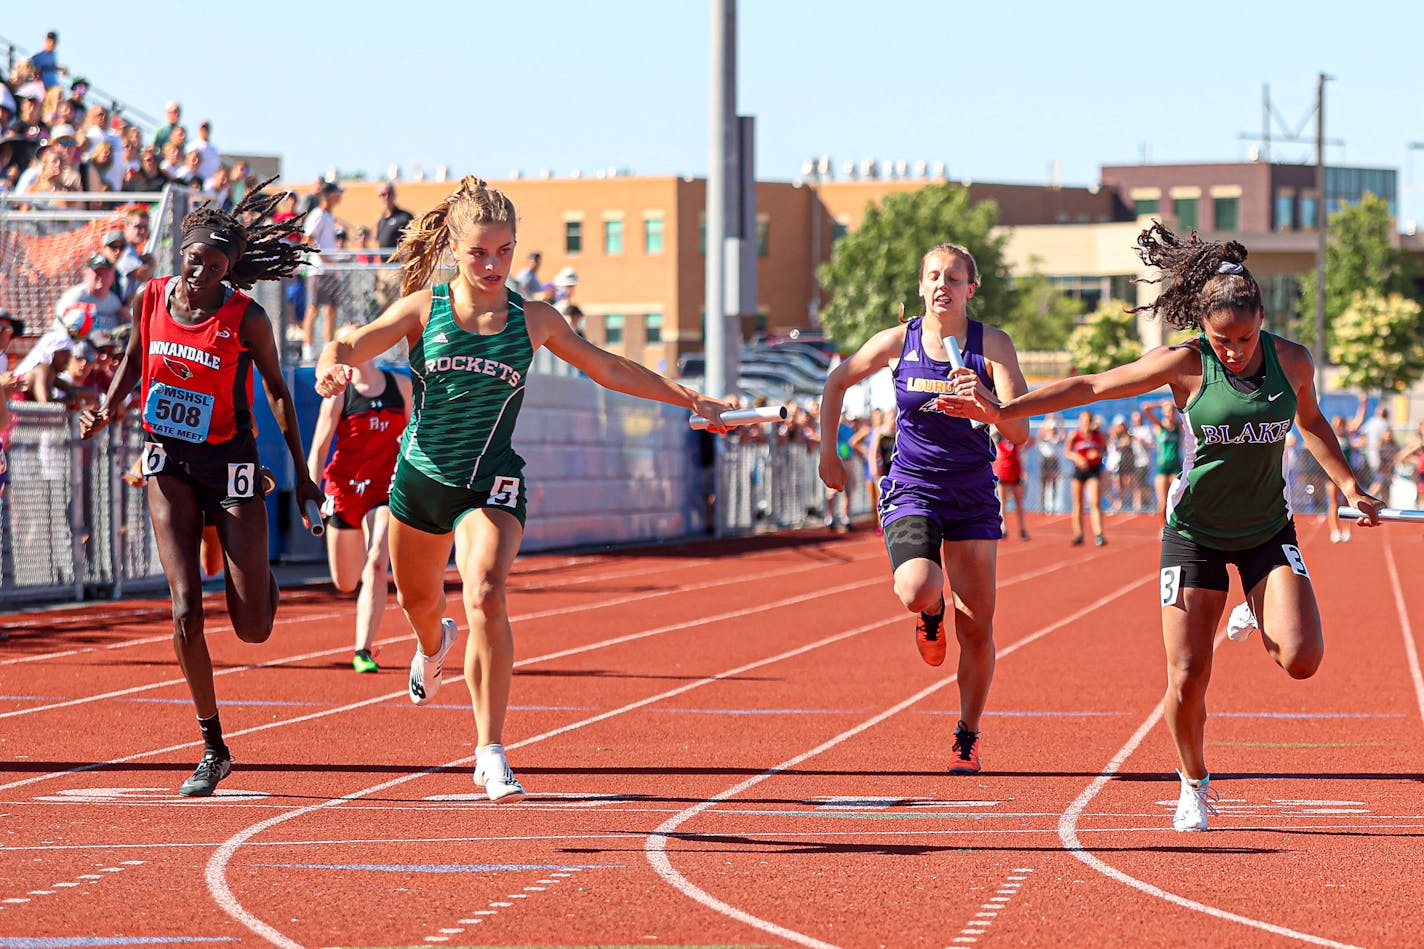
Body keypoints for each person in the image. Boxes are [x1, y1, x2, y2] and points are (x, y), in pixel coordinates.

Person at [939, 222, 1383, 831]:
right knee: (1187, 674)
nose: (1235, 351)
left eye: (1246, 338)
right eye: (1222, 340)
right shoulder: (1185, 365)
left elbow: (1310, 423)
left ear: (1262, 321)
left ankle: (1254, 601)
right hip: (1194, 534)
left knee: (1303, 658)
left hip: (1266, 531)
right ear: (1203, 330)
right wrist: (1003, 409)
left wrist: (1350, 485)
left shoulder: (1292, 362)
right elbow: (1092, 385)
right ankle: (1194, 783)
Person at [313, 175, 734, 802]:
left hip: (492, 481)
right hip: (422, 478)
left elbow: (608, 366)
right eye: (480, 252)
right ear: (455, 249)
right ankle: (434, 645)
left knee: (486, 590)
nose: (491, 264)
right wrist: (332, 364)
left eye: (504, 251)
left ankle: (490, 749)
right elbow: (350, 341)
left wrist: (689, 398)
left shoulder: (532, 319)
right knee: (420, 606)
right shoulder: (422, 310)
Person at [78, 181, 324, 797]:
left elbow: (275, 391)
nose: (201, 271)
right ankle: (213, 745)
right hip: (167, 458)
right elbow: (135, 358)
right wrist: (108, 410)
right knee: (186, 607)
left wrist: (301, 477)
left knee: (253, 628)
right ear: (180, 251)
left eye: (215, 266)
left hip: (232, 463)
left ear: (230, 270)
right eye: (195, 259)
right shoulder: (152, 295)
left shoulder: (247, 316)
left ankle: (258, 577)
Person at [818, 241, 1030, 776]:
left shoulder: (992, 344)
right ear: (921, 286)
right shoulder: (899, 342)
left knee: (978, 629)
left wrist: (985, 398)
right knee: (917, 588)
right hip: (913, 485)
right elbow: (838, 379)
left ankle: (968, 733)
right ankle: (930, 614)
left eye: (954, 278)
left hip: (972, 492)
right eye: (934, 276)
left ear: (970, 289)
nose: (943, 285)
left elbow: (1020, 431)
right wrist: (827, 451)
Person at [307, 322, 411, 673]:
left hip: (385, 489)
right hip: (345, 490)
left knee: (378, 563)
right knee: (346, 581)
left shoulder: (401, 387)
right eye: (345, 342)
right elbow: (319, 448)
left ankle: (362, 650)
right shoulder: (340, 394)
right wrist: (310, 495)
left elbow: (416, 436)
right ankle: (362, 640)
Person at [301, 180, 342, 362]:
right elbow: (308, 239)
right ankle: (307, 348)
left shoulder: (328, 216)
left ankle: (328, 347)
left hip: (329, 270)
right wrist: (324, 258)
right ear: (331, 195)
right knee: (313, 308)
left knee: (331, 309)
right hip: (318, 270)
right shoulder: (317, 215)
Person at [1065, 410, 1107, 545]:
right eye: (1083, 421)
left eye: (1088, 421)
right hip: (1079, 470)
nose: (1086, 424)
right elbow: (1067, 452)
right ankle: (1078, 535)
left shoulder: (1098, 435)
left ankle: (1099, 534)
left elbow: (1104, 449)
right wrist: (1077, 458)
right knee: (1078, 503)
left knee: (1094, 501)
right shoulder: (1075, 436)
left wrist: (1097, 453)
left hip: (1093, 470)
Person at [1143, 398, 1183, 526]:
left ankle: (1176, 527)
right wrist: (1161, 404)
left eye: (1172, 411)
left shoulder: (1179, 426)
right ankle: (1163, 527)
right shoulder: (1159, 426)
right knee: (1162, 503)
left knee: (1177, 501)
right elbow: (1146, 407)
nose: (1170, 413)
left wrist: (1174, 404)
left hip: (1176, 467)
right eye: (1167, 411)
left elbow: (1187, 408)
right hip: (1162, 468)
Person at [992, 426, 1030, 540]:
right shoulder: (997, 436)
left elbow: (1027, 442)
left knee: (1019, 501)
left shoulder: (1015, 437)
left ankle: (1022, 529)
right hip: (1002, 471)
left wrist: (1023, 472)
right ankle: (1003, 528)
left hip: (1015, 470)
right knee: (1003, 501)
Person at [1035, 414, 1064, 513]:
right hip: (1045, 460)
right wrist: (1047, 419)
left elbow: (1063, 435)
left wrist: (1060, 423)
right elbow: (1040, 434)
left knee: (1054, 483)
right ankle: (1042, 506)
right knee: (1044, 483)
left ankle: (1054, 506)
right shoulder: (1044, 438)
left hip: (1054, 461)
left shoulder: (1056, 438)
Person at [374, 181, 414, 251]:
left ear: (394, 195)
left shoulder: (405, 217)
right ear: (379, 196)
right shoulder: (381, 220)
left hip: (399, 261)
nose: (386, 197)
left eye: (389, 194)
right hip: (383, 261)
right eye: (383, 194)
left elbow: (413, 241)